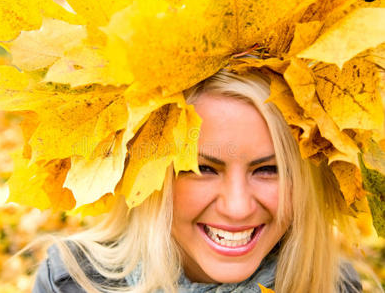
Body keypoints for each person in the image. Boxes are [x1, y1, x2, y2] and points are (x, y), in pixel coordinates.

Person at [32, 70, 363, 293]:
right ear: (150, 176)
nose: (237, 208)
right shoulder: (72, 282)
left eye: (268, 170)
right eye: (202, 168)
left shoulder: (336, 285)